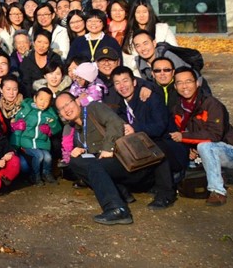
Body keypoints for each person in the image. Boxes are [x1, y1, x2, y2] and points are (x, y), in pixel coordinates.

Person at [56, 91, 167, 225]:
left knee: (95, 166)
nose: (66, 109)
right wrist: (80, 151)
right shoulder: (75, 129)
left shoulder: (94, 108)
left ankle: (116, 208)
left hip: (126, 161)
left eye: (67, 104)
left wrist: (108, 148)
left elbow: (114, 122)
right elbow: (92, 148)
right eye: (61, 108)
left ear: (77, 101)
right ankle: (120, 191)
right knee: (76, 162)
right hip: (108, 165)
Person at [169, 67, 233, 206]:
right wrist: (189, 148)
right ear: (175, 86)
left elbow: (214, 135)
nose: (184, 86)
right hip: (201, 149)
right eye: (179, 83)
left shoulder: (212, 104)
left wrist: (185, 138)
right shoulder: (177, 110)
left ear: (197, 83)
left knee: (205, 146)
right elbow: (181, 134)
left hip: (231, 152)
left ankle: (217, 191)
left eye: (188, 81)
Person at [10, 87, 61, 185]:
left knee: (48, 157)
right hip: (27, 143)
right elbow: (17, 129)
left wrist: (52, 125)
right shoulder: (26, 111)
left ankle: (47, 173)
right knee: (39, 156)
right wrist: (14, 145)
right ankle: (35, 175)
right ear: (35, 98)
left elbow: (57, 129)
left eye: (47, 101)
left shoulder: (50, 114)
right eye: (41, 99)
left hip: (42, 143)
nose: (43, 103)